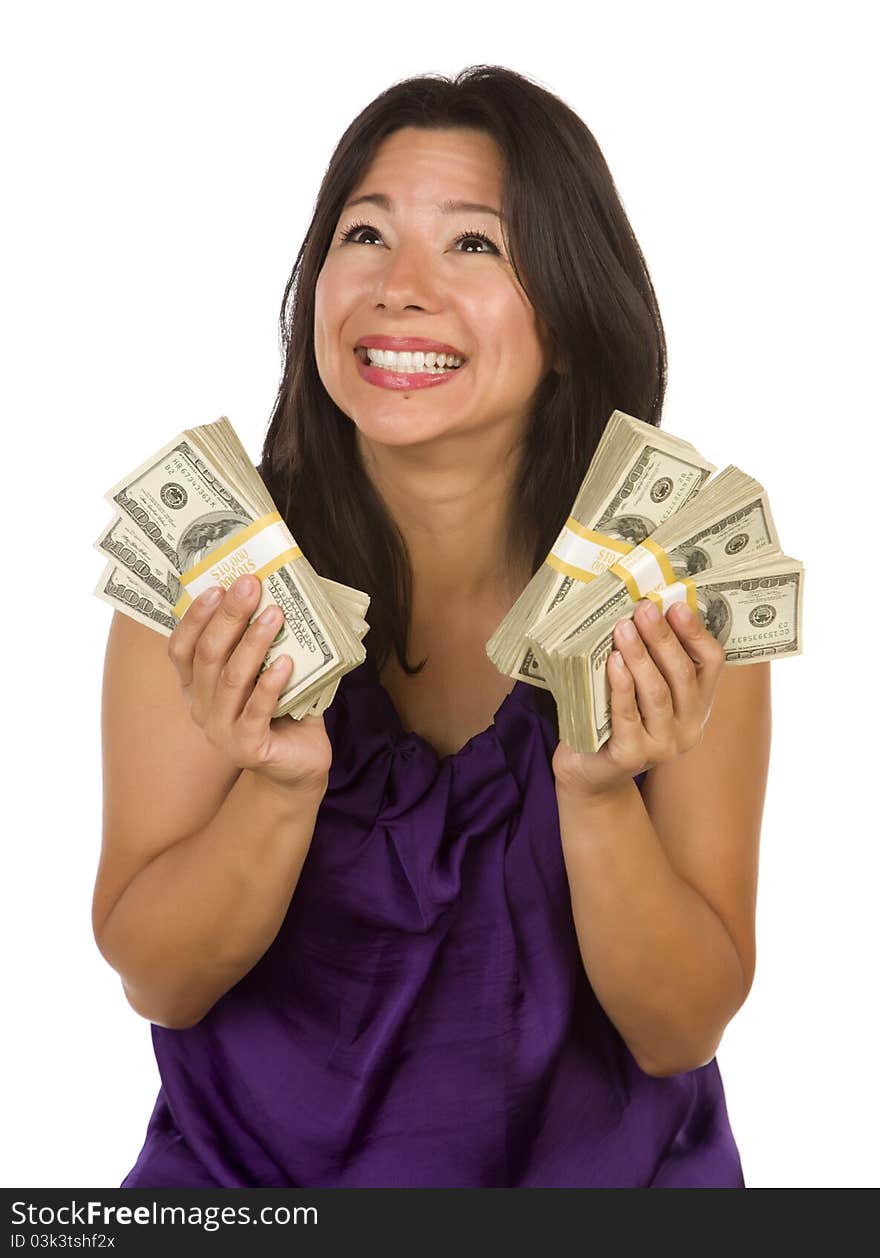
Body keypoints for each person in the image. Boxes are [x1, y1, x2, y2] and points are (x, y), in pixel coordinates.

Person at [94, 65, 771, 1188]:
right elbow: (160, 982)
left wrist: (598, 795)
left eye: (473, 245)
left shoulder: (667, 598)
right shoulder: (215, 584)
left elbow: (681, 1026)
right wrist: (274, 783)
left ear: (567, 315)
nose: (398, 287)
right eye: (365, 234)